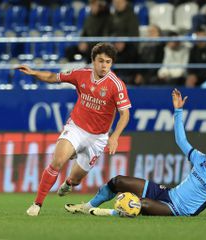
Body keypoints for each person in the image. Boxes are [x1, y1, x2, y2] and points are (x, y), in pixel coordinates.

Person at [64, 89, 206, 218]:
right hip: (168, 194)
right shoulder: (200, 158)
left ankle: (108, 213)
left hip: (178, 210)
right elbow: (181, 141)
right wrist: (178, 111)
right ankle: (87, 207)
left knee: (140, 204)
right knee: (119, 181)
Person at [17, 42, 132, 216]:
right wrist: (34, 73)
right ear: (93, 61)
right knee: (57, 162)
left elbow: (125, 115)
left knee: (76, 179)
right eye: (101, 61)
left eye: (108, 62)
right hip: (76, 128)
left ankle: (68, 183)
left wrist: (114, 136)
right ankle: (37, 204)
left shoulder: (116, 85)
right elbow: (53, 77)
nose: (104, 65)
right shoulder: (81, 74)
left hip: (98, 138)